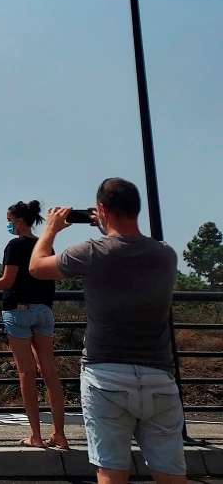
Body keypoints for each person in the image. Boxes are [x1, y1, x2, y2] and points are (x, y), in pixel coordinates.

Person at [29, 178, 185, 484]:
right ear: (136, 209)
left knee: (112, 473)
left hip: (106, 376)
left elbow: (37, 267)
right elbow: (123, 244)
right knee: (171, 476)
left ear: (102, 209)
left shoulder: (90, 252)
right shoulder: (166, 254)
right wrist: (105, 225)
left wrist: (50, 228)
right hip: (160, 378)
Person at [0, 200, 68, 449]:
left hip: (18, 311)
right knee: (49, 372)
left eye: (9, 220)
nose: (8, 224)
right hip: (44, 310)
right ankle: (59, 435)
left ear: (19, 221)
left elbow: (8, 280)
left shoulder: (15, 245)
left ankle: (36, 436)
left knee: (26, 373)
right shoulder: (45, 246)